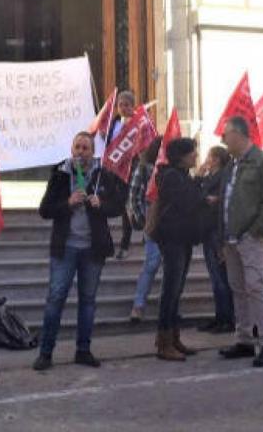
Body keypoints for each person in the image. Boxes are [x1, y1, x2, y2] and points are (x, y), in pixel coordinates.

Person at [33, 132, 124, 371]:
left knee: (88, 301)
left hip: (92, 249)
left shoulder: (102, 174)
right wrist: (68, 203)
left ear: (92, 152)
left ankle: (83, 350)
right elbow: (45, 210)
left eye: (86, 148)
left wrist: (101, 205)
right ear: (71, 149)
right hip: (66, 248)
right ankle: (45, 352)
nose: (81, 152)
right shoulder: (61, 173)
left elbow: (117, 206)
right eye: (78, 147)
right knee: (55, 299)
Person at [217, 116, 263, 368]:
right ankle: (244, 337)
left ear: (240, 134)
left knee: (256, 286)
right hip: (230, 238)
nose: (223, 139)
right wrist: (221, 236)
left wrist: (257, 231)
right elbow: (225, 202)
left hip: (251, 238)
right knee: (238, 288)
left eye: (226, 134)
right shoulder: (231, 166)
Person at [152, 137, 206, 361]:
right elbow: (187, 202)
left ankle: (173, 337)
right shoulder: (171, 176)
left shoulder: (182, 176)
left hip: (184, 238)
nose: (196, 156)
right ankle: (164, 342)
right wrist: (201, 187)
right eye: (192, 152)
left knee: (177, 289)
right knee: (171, 290)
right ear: (182, 156)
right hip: (172, 238)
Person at [197, 145, 235, 334]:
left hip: (217, 231)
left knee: (221, 278)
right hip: (207, 230)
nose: (206, 159)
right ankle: (220, 316)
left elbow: (217, 199)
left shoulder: (223, 177)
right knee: (215, 278)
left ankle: (227, 318)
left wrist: (215, 199)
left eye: (210, 156)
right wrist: (199, 176)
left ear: (217, 159)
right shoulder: (209, 177)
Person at [128, 136, 163, 322]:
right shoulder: (144, 169)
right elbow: (133, 196)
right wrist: (142, 220)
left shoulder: (174, 170)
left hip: (171, 221)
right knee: (151, 263)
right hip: (152, 218)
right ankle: (138, 305)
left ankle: (166, 306)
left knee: (170, 267)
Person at [109, 90, 136, 260]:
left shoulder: (138, 124)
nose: (123, 108)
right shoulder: (114, 123)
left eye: (127, 105)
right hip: (114, 171)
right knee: (115, 203)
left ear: (133, 106)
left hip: (132, 171)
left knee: (128, 207)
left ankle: (125, 245)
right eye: (120, 105)